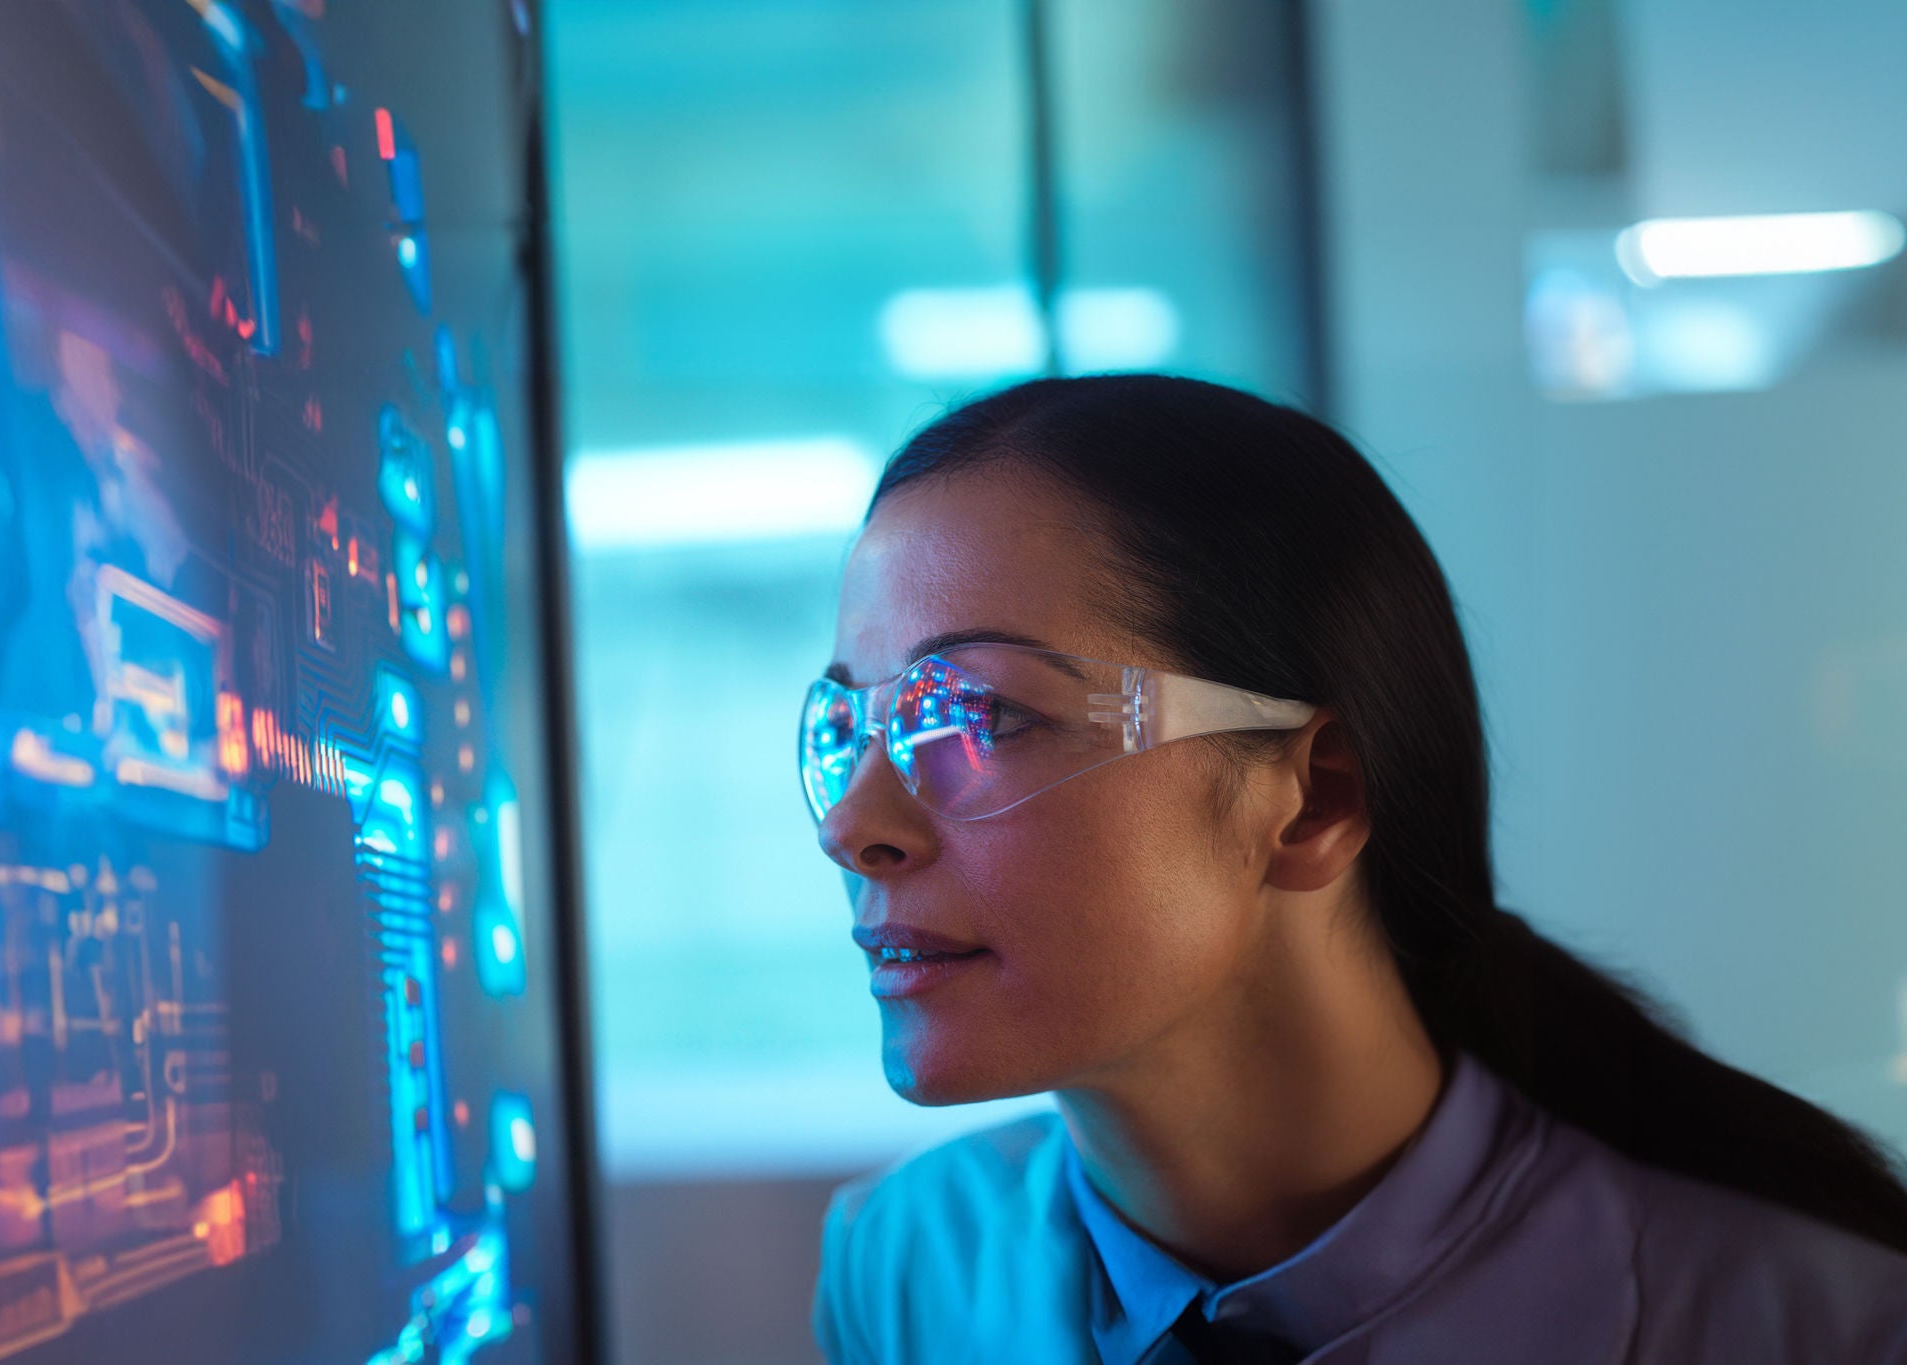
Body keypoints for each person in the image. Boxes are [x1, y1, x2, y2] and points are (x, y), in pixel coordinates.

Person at [800, 374, 1907, 1364]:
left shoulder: (1810, 1325)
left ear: (1315, 796)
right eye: (845, 725)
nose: (851, 825)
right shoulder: (904, 1274)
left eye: (979, 715)